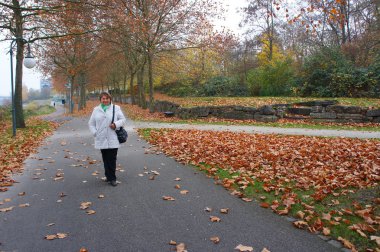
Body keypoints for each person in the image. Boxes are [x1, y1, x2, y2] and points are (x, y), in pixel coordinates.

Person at [88, 92, 126, 186]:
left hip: (113, 137)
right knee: (105, 158)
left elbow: (123, 120)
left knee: (112, 158)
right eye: (103, 98)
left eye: (107, 98)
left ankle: (112, 178)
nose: (105, 100)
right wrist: (95, 133)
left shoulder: (116, 108)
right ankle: (108, 176)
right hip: (101, 138)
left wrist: (116, 124)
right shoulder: (96, 109)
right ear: (100, 100)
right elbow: (91, 123)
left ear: (110, 99)